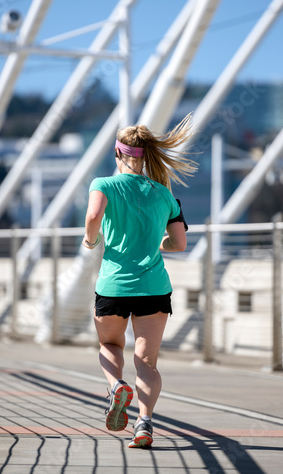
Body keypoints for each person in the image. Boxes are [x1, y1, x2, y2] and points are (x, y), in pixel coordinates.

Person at [82, 113, 197, 448]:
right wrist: (156, 245)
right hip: (154, 288)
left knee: (109, 345)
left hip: (113, 286)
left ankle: (117, 386)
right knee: (147, 362)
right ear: (145, 155)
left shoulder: (103, 184)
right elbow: (179, 243)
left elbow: (92, 217)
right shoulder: (165, 195)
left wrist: (91, 241)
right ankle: (144, 424)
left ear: (118, 154)